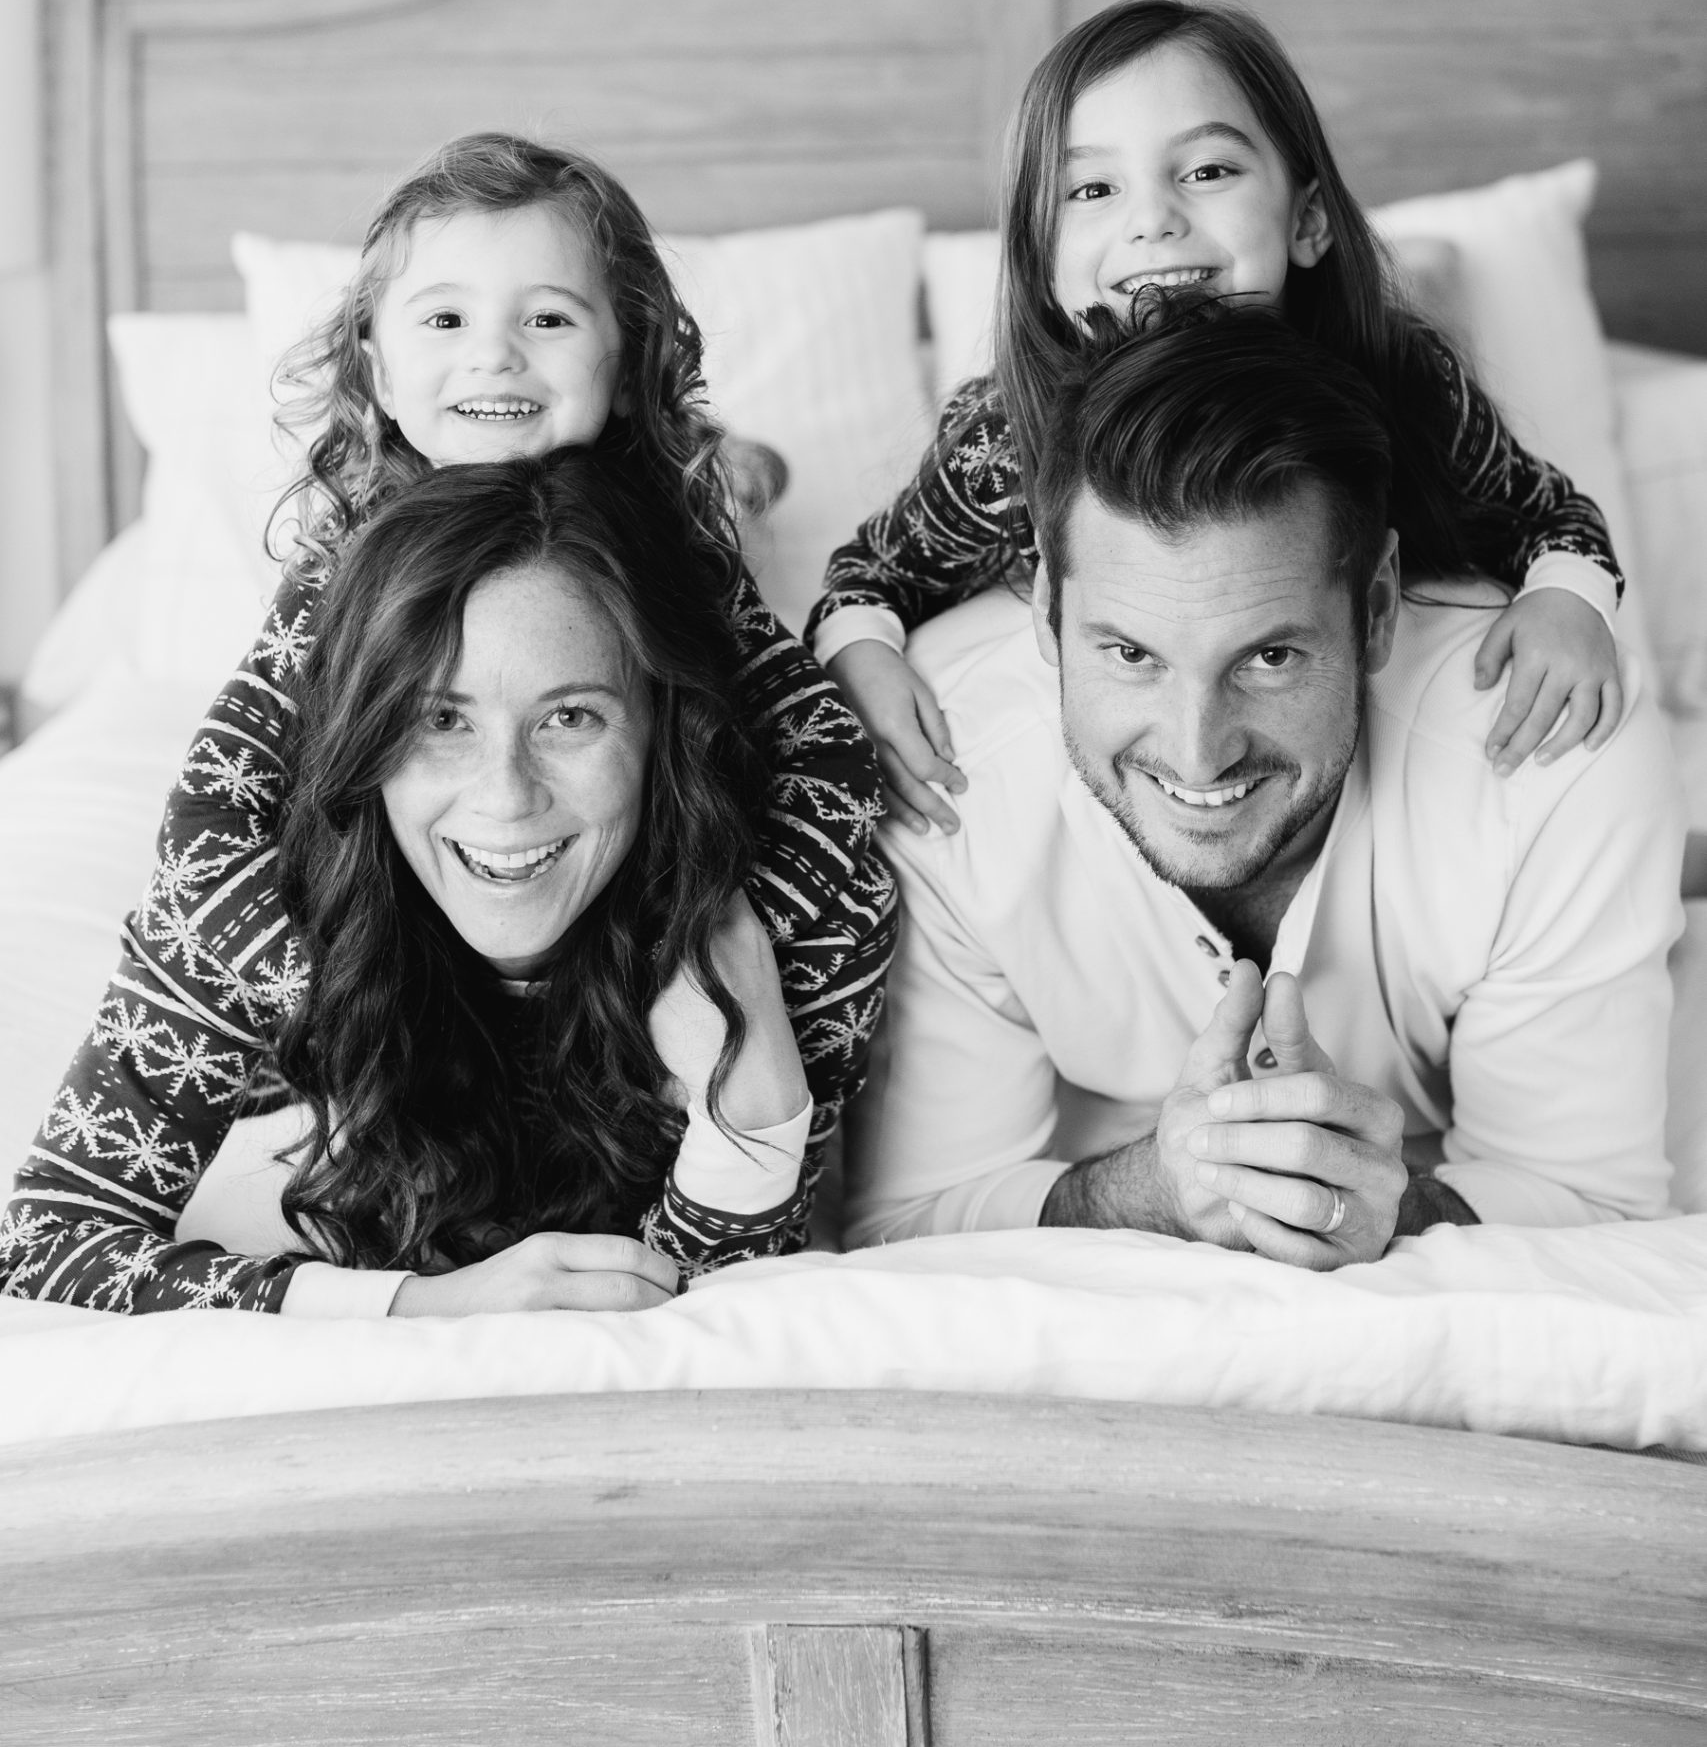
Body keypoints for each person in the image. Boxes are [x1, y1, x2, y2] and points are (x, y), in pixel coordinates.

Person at [0, 130, 895, 1307]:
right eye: (445, 321)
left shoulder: (676, 543)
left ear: (627, 358)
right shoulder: (339, 569)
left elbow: (807, 736)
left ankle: (751, 472)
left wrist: (750, 976)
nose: (496, 360)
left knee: (723, 508)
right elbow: (233, 770)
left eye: (549, 320)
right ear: (370, 361)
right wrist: (247, 918)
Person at [845, 305, 1681, 1260]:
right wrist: (1156, 1190)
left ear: (1373, 610)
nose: (1198, 753)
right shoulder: (931, 764)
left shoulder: (1552, 750)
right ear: (1044, 610)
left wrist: (1392, 1206)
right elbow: (908, 1223)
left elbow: (1593, 1209)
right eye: (1129, 654)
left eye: (1270, 656)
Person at [2, 451, 848, 1314]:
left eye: (570, 717)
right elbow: (46, 1246)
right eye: (441, 719)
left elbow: (721, 1300)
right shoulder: (253, 920)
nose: (506, 797)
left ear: (660, 735)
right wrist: (415, 1306)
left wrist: (755, 1104)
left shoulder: (797, 908)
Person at [808, 0, 1626, 836]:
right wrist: (860, 656)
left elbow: (1546, 515)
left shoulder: (1402, 382)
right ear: (1040, 257)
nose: (1153, 219)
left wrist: (1569, 601)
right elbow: (873, 572)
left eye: (1206, 171)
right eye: (1092, 188)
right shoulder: (1002, 443)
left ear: (1306, 219)